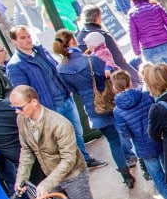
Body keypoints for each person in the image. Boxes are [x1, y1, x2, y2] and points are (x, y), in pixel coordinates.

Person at [10, 85, 117, 199]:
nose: (17, 112)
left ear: (34, 102)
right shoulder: (22, 120)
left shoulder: (60, 124)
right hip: (52, 176)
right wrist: (21, 177)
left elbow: (69, 159)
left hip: (74, 175)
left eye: (20, 107)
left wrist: (47, 183)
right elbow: (26, 150)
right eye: (14, 107)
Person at [6, 25, 104, 168]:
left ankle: (84, 159)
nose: (28, 40)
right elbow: (24, 93)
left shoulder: (41, 52)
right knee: (62, 138)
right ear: (14, 41)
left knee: (76, 132)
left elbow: (56, 70)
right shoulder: (15, 65)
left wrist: (67, 88)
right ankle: (74, 166)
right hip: (48, 106)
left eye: (28, 36)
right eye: (23, 38)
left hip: (65, 98)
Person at [52, 30, 134, 189]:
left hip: (93, 109)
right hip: (110, 102)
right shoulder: (91, 59)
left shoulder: (61, 69)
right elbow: (109, 76)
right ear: (72, 41)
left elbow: (72, 90)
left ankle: (126, 175)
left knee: (113, 141)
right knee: (127, 132)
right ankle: (138, 160)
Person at [111, 70, 167, 199]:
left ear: (115, 87)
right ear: (130, 81)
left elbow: (125, 133)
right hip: (160, 139)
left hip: (143, 146)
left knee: (158, 177)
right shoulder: (145, 95)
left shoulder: (117, 111)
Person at [76, 5, 141, 85]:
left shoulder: (79, 38)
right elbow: (120, 62)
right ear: (99, 17)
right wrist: (138, 79)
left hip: (95, 82)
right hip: (114, 79)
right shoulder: (103, 36)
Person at [127, 0, 167, 65]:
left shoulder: (132, 13)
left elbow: (133, 35)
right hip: (166, 44)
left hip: (149, 49)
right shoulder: (156, 7)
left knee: (158, 72)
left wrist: (137, 52)